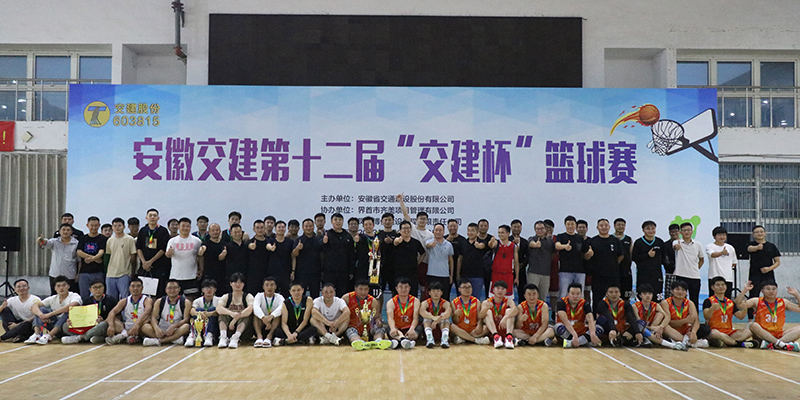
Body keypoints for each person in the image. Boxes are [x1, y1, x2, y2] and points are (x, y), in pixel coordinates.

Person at [740, 280, 800, 351]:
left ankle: (775, 344)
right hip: (762, 334)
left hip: (779, 334)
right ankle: (782, 344)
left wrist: (797, 295)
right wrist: (744, 291)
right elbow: (739, 305)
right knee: (753, 325)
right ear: (762, 291)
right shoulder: (757, 301)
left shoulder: (783, 302)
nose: (771, 291)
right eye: (768, 289)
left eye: (774, 289)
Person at [25, 275, 82, 345]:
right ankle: (37, 334)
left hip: (67, 326)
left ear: (68, 286)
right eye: (58, 286)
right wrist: (41, 315)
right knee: (40, 309)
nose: (61, 288)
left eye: (64, 285)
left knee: (68, 312)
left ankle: (49, 336)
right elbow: (34, 306)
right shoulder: (53, 298)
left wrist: (49, 315)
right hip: (54, 324)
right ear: (55, 288)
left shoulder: (74, 295)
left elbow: (71, 306)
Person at [583, 219, 624, 311]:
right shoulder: (592, 241)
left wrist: (613, 264)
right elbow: (586, 257)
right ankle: (596, 316)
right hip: (598, 275)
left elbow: (621, 255)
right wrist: (588, 255)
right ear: (597, 228)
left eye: (606, 225)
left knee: (614, 297)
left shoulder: (615, 240)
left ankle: (614, 316)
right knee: (597, 298)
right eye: (601, 226)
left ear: (609, 227)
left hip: (613, 275)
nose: (604, 227)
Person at [61, 279, 117, 344]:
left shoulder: (110, 300)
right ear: (90, 289)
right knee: (65, 326)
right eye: (95, 287)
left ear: (104, 288)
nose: (98, 289)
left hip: (101, 325)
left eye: (100, 287)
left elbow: (116, 316)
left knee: (103, 325)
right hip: (88, 326)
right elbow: (80, 315)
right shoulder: (86, 301)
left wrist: (103, 320)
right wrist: (71, 320)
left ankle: (80, 338)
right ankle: (93, 337)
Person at [399, 194, 433, 297]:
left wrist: (419, 262)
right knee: (407, 287)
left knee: (423, 289)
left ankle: (420, 306)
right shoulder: (412, 228)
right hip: (409, 264)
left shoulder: (430, 234)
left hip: (424, 264)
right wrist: (401, 201)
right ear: (416, 220)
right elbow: (405, 214)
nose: (422, 221)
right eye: (420, 219)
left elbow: (425, 252)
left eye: (424, 219)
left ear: (427, 221)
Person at [703, 276, 752, 348]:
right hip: (715, 330)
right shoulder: (709, 301)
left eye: (723, 285)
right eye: (718, 285)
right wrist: (712, 308)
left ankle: (724, 341)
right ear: (712, 287)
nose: (721, 287)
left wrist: (745, 309)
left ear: (726, 287)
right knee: (714, 333)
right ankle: (737, 344)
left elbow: (740, 317)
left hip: (729, 332)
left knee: (749, 331)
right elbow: (706, 317)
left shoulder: (730, 302)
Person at [141, 279, 192, 346]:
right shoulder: (159, 301)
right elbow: (153, 317)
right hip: (162, 328)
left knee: (186, 327)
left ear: (179, 289)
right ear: (166, 290)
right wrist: (156, 329)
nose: (172, 290)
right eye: (169, 288)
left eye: (175, 288)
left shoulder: (186, 302)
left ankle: (159, 341)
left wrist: (174, 326)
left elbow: (186, 319)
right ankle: (173, 339)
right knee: (145, 327)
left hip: (176, 328)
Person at [660, 280, 709, 349]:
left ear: (686, 292)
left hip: (686, 331)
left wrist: (693, 332)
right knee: (665, 327)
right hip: (672, 330)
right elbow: (669, 322)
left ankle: (685, 341)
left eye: (683, 290)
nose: (680, 292)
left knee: (705, 329)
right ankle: (688, 342)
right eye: (677, 289)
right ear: (672, 291)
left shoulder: (689, 303)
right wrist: (685, 320)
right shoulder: (665, 303)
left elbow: (696, 320)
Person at [343, 279, 389, 350]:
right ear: (355, 288)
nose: (363, 292)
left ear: (368, 290)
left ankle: (378, 341)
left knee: (380, 329)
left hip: (369, 327)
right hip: (352, 325)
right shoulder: (346, 298)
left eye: (366, 289)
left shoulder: (373, 301)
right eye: (360, 289)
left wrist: (378, 321)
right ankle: (359, 342)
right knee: (350, 331)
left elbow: (377, 316)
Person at [746, 225, 781, 321]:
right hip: (755, 274)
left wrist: (769, 269)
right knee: (753, 295)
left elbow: (777, 262)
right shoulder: (751, 244)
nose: (759, 233)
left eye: (761, 231)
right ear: (753, 234)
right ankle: (750, 320)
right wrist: (757, 247)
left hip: (768, 274)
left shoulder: (771, 246)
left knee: (770, 295)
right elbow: (749, 249)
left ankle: (771, 317)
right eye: (757, 232)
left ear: (765, 233)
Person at [104, 277, 153, 345]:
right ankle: (130, 335)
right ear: (129, 288)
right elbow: (112, 312)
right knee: (110, 319)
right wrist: (111, 326)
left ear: (142, 288)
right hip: (127, 326)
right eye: (133, 286)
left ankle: (122, 336)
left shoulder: (147, 300)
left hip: (140, 325)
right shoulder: (124, 300)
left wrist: (137, 325)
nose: (135, 288)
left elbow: (147, 312)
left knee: (146, 327)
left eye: (138, 286)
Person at [135, 208, 172, 297]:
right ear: (146, 218)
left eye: (154, 216)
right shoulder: (143, 230)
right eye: (150, 215)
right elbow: (138, 248)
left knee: (158, 293)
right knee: (143, 293)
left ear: (158, 218)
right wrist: (144, 262)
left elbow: (163, 249)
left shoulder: (163, 231)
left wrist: (150, 262)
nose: (152, 217)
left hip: (159, 267)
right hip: (144, 267)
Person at [166, 217, 202, 300]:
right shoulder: (172, 241)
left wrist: (201, 269)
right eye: (183, 226)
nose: (185, 228)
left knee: (191, 299)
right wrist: (169, 253)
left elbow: (200, 256)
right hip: (176, 276)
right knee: (174, 299)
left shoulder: (197, 241)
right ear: (178, 227)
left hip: (191, 276)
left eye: (187, 226)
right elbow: (167, 254)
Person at [555, 283, 601, 348]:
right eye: (572, 294)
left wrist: (593, 334)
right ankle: (581, 341)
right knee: (557, 327)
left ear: (581, 294)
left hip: (580, 332)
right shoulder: (561, 302)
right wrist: (574, 335)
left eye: (578, 294)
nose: (575, 296)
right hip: (567, 332)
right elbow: (565, 321)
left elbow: (590, 320)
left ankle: (573, 342)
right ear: (568, 294)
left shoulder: (585, 304)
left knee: (598, 328)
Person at [38, 223, 79, 294]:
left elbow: (79, 260)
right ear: (59, 231)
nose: (65, 232)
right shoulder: (54, 241)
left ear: (71, 232)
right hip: (55, 274)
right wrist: (42, 240)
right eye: (63, 230)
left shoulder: (76, 243)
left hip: (70, 275)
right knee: (55, 295)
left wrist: (77, 274)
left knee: (70, 296)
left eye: (68, 230)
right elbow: (46, 243)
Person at [216, 273, 254, 349]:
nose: (238, 284)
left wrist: (235, 318)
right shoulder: (226, 296)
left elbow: (250, 309)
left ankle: (236, 337)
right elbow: (218, 308)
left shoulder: (248, 296)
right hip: (229, 328)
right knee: (223, 313)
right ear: (231, 284)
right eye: (235, 282)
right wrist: (231, 313)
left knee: (245, 315)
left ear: (243, 284)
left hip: (244, 331)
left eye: (240, 282)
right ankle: (223, 337)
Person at [322, 213, 356, 297]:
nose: (338, 222)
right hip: (329, 271)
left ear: (343, 222)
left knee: (342, 294)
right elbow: (320, 250)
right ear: (331, 222)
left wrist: (351, 271)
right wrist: (324, 242)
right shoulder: (327, 234)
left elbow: (351, 254)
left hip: (344, 271)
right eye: (335, 220)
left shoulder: (347, 235)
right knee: (329, 293)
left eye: (340, 220)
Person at [448, 279, 490, 345]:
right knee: (451, 326)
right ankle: (475, 340)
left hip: (473, 330)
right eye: (464, 287)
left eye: (469, 287)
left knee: (486, 328)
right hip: (460, 329)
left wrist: (480, 324)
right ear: (459, 289)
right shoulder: (454, 302)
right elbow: (455, 321)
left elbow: (479, 317)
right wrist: (455, 315)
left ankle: (463, 338)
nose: (467, 289)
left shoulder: (476, 301)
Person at [631, 220, 665, 301]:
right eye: (648, 229)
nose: (651, 231)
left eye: (653, 228)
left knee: (657, 299)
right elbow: (634, 258)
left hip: (657, 275)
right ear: (643, 230)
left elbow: (663, 258)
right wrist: (647, 255)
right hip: (643, 275)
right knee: (642, 299)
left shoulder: (659, 242)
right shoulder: (638, 242)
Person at [672, 222, 704, 307]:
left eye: (689, 230)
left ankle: (694, 316)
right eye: (684, 230)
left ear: (692, 231)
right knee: (680, 299)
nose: (687, 232)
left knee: (694, 300)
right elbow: (675, 247)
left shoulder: (698, 244)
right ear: (680, 232)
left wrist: (695, 268)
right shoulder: (677, 242)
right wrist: (677, 247)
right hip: (681, 275)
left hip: (695, 276)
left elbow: (701, 259)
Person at [274, 281, 317, 346]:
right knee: (277, 331)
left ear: (302, 290)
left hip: (302, 329)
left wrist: (296, 332)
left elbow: (305, 321)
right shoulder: (285, 303)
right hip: (290, 329)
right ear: (290, 292)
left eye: (298, 290)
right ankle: (301, 340)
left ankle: (286, 341)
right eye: (293, 291)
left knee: (313, 329)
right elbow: (284, 323)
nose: (296, 293)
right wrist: (289, 334)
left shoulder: (308, 300)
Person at [106, 217, 137, 301]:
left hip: (124, 273)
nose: (117, 228)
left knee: (125, 298)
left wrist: (132, 272)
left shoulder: (129, 239)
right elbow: (108, 256)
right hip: (110, 274)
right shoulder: (110, 240)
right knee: (111, 299)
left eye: (119, 226)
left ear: (124, 227)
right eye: (115, 226)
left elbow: (133, 256)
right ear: (112, 227)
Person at [76, 216, 107, 299]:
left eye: (96, 225)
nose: (94, 228)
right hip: (84, 272)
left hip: (98, 271)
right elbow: (79, 252)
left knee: (98, 295)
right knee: (84, 295)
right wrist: (94, 259)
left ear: (99, 225)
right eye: (92, 225)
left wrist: (91, 259)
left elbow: (101, 251)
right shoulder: (83, 238)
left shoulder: (102, 238)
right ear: (87, 225)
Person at [386, 277, 422, 349]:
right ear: (396, 288)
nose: (403, 289)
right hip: (397, 329)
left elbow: (415, 318)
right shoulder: (391, 302)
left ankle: (399, 341)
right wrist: (393, 328)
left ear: (409, 288)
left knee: (419, 329)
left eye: (406, 287)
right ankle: (405, 341)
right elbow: (390, 318)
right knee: (389, 329)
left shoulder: (415, 301)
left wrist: (412, 329)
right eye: (401, 287)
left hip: (410, 328)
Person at [392, 221, 426, 297]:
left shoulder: (416, 242)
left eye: (408, 228)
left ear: (410, 229)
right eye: (404, 228)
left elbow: (423, 253)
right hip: (399, 272)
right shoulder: (398, 240)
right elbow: (395, 242)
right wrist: (398, 240)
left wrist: (418, 262)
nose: (406, 230)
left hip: (412, 273)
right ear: (400, 230)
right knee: (398, 294)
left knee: (413, 294)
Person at [555, 216, 586, 299]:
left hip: (580, 271)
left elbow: (584, 252)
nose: (570, 226)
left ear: (575, 225)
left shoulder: (580, 238)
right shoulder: (561, 236)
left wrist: (590, 252)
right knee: (563, 294)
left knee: (580, 295)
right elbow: (557, 245)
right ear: (565, 225)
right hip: (565, 271)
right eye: (568, 224)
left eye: (572, 224)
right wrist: (565, 246)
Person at [633, 284, 672, 349]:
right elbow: (638, 324)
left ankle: (650, 337)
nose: (648, 296)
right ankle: (671, 345)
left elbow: (667, 317)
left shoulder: (655, 305)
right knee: (641, 327)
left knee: (660, 314)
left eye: (650, 293)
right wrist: (652, 328)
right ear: (640, 295)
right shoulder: (635, 306)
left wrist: (660, 327)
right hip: (640, 329)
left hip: (651, 328)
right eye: (645, 294)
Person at [293, 218, 324, 298]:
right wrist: (298, 248)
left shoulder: (318, 240)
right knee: (301, 295)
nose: (308, 228)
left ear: (313, 227)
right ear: (303, 227)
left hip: (316, 273)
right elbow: (294, 255)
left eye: (310, 226)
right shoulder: (299, 240)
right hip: (302, 273)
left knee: (315, 295)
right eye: (306, 226)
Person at [456, 222, 487, 301]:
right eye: (468, 230)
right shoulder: (463, 243)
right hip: (464, 275)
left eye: (472, 230)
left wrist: (478, 245)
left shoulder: (482, 242)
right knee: (463, 299)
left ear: (477, 232)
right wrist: (458, 273)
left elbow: (483, 246)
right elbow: (460, 258)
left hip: (477, 276)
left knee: (475, 299)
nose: (470, 233)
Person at [527, 221, 555, 306]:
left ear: (545, 229)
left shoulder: (550, 242)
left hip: (546, 273)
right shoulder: (531, 239)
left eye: (542, 228)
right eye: (538, 229)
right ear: (535, 230)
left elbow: (553, 254)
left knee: (542, 298)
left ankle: (541, 313)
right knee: (531, 296)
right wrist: (536, 245)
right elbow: (531, 244)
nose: (540, 230)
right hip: (533, 273)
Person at [481, 280, 517, 349]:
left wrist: (505, 317)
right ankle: (496, 337)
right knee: (487, 311)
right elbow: (480, 316)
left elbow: (515, 310)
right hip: (491, 330)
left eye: (502, 289)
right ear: (493, 290)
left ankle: (509, 337)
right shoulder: (486, 302)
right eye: (498, 288)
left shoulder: (509, 301)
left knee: (510, 311)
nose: (500, 291)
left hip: (504, 328)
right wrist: (485, 308)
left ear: (506, 291)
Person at [424, 223, 454, 301]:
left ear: (443, 231)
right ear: (433, 231)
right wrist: (431, 245)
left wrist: (451, 275)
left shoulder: (448, 245)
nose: (438, 232)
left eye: (440, 230)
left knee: (445, 298)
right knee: (431, 299)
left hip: (445, 275)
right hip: (432, 275)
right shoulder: (429, 242)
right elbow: (427, 245)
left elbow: (450, 260)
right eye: (436, 230)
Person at [706, 226, 737, 299]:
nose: (722, 237)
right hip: (714, 276)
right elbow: (712, 255)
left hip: (727, 278)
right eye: (719, 235)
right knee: (713, 299)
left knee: (727, 299)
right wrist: (722, 253)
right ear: (714, 236)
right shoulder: (710, 246)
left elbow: (734, 262)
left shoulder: (730, 247)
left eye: (724, 235)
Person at [419, 281, 452, 348]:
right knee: (427, 317)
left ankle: (444, 339)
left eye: (438, 291)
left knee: (445, 318)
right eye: (433, 291)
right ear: (429, 293)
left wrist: (438, 319)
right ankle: (430, 339)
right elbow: (422, 312)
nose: (436, 293)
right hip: (430, 326)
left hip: (442, 326)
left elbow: (448, 313)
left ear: (441, 293)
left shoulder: (446, 303)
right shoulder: (425, 303)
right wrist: (433, 317)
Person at [252, 277, 284, 348]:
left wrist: (271, 316)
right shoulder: (259, 295)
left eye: (272, 285)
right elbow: (255, 307)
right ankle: (259, 337)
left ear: (275, 287)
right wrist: (263, 318)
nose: (269, 287)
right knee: (255, 315)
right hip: (261, 323)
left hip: (274, 325)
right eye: (267, 285)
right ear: (263, 287)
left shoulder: (279, 297)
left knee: (278, 315)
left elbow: (281, 308)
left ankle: (269, 337)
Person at [187, 279, 220, 347]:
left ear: (215, 290)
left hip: (213, 325)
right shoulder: (197, 301)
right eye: (206, 288)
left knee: (212, 309)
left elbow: (220, 311)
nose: (209, 290)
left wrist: (210, 314)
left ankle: (209, 335)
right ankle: (194, 334)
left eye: (211, 288)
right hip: (201, 323)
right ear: (202, 290)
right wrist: (198, 314)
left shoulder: (219, 300)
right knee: (199, 309)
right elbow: (192, 311)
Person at [198, 223, 228, 294]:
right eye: (213, 230)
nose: (215, 232)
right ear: (209, 232)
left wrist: (224, 255)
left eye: (217, 230)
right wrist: (200, 252)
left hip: (222, 275)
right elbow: (200, 255)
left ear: (220, 231)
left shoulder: (224, 244)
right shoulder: (205, 244)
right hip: (209, 274)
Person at [267, 221, 294, 297]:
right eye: (279, 227)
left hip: (286, 271)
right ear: (275, 229)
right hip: (273, 271)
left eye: (283, 227)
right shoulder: (271, 240)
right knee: (273, 293)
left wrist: (293, 271)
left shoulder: (290, 242)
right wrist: (271, 248)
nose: (281, 229)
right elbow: (267, 246)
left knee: (286, 293)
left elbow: (293, 257)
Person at [220, 224, 249, 292]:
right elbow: (220, 258)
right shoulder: (226, 246)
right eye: (235, 232)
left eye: (239, 232)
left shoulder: (246, 245)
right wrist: (223, 255)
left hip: (245, 274)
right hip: (231, 275)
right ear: (231, 234)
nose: (237, 234)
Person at [246, 219, 270, 295]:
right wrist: (251, 246)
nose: (260, 230)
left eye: (262, 227)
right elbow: (249, 246)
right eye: (257, 228)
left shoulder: (269, 242)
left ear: (265, 228)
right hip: (253, 275)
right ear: (254, 229)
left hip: (266, 273)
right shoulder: (250, 242)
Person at [613, 218, 634, 302]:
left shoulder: (629, 239)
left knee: (627, 295)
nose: (621, 227)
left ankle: (626, 309)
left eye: (623, 225)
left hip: (626, 271)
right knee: (614, 295)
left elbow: (631, 254)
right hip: (614, 272)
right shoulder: (611, 238)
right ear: (614, 226)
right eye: (619, 225)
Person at [476, 219, 497, 299]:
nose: (483, 227)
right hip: (476, 269)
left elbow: (492, 245)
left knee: (489, 293)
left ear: (488, 227)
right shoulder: (474, 238)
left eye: (485, 226)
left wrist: (491, 243)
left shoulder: (491, 238)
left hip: (489, 270)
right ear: (478, 227)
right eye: (481, 226)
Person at [510, 219, 529, 297]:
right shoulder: (507, 240)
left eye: (518, 227)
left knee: (522, 292)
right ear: (511, 228)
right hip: (509, 270)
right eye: (514, 227)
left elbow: (528, 256)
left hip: (521, 270)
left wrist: (522, 264)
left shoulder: (525, 242)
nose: (516, 229)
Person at [662, 223, 680, 300]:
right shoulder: (665, 244)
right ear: (669, 233)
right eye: (672, 232)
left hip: (683, 273)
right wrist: (670, 266)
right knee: (669, 295)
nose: (674, 233)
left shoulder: (684, 243)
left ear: (679, 232)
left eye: (676, 231)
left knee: (681, 294)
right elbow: (664, 259)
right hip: (670, 273)